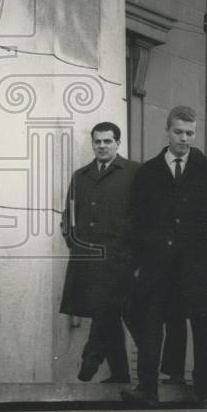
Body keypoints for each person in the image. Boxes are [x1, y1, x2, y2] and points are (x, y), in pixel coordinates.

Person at [121, 105, 207, 407]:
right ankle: (147, 388)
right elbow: (136, 218)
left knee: (203, 328)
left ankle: (205, 392)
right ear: (167, 130)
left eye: (190, 133)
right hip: (159, 267)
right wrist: (140, 262)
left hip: (200, 266)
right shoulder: (148, 171)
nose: (184, 138)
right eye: (179, 132)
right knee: (151, 325)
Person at [60, 122, 140, 384]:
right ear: (92, 143)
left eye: (108, 141)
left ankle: (93, 352)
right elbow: (68, 214)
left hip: (120, 258)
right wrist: (72, 239)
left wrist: (130, 249)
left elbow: (142, 216)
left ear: (118, 143)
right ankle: (119, 375)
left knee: (107, 308)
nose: (103, 146)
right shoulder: (81, 175)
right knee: (106, 310)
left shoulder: (134, 172)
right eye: (98, 141)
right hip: (87, 258)